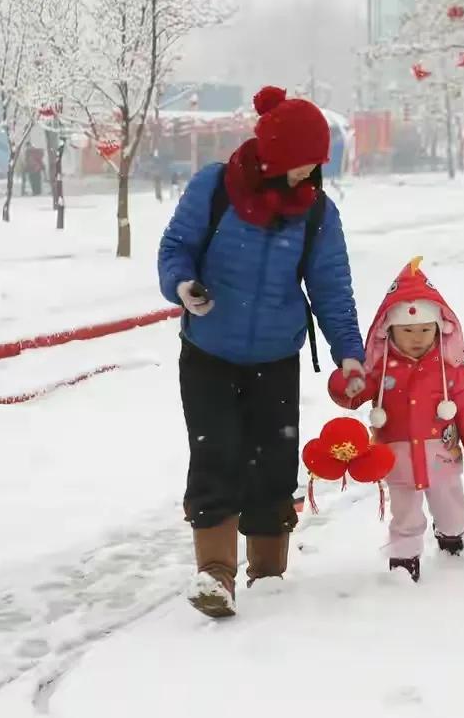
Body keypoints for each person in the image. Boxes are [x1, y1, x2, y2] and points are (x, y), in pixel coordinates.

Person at [158, 86, 366, 619]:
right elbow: (176, 248)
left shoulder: (317, 211)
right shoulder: (214, 188)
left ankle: (269, 576)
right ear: (274, 155)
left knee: (273, 463)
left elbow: (332, 288)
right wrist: (183, 287)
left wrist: (349, 353)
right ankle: (215, 576)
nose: (311, 174)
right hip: (208, 351)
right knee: (216, 453)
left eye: (317, 163)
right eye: (304, 162)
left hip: (276, 356)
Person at [328, 256, 464, 583]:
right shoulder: (380, 368)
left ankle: (452, 535)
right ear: (389, 330)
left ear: (439, 328)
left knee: (451, 508)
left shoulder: (451, 367)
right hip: (396, 457)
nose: (417, 337)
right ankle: (404, 559)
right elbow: (353, 395)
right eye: (407, 330)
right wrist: (348, 384)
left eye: (424, 329)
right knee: (404, 513)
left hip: (441, 457)